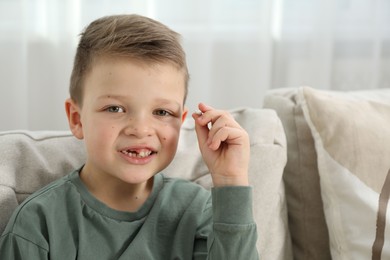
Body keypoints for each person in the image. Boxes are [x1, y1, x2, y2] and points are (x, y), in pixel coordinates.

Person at [0, 14, 258, 259]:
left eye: (161, 111)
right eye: (115, 109)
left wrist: (231, 180)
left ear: (181, 122)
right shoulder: (39, 223)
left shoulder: (197, 210)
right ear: (77, 119)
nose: (141, 128)